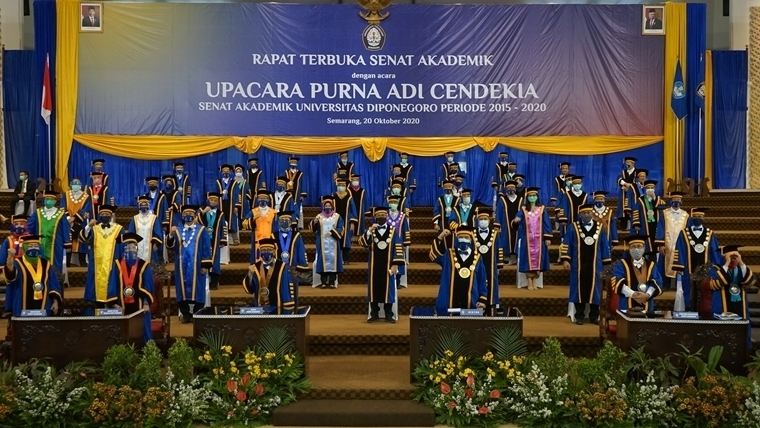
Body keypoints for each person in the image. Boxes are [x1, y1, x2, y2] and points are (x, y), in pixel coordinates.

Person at [561, 204, 612, 325]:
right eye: (584, 213)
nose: (587, 215)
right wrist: (566, 259)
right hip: (578, 264)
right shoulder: (573, 227)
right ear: (580, 215)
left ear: (592, 214)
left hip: (596, 264)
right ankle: (579, 315)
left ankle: (594, 316)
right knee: (578, 288)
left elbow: (605, 245)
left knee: (596, 289)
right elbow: (566, 243)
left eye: (589, 213)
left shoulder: (600, 227)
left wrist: (606, 264)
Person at [107, 233, 155, 344]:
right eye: (128, 247)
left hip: (140, 305)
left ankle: (146, 351)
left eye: (133, 247)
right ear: (123, 249)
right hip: (121, 305)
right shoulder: (117, 264)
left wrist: (146, 302)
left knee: (144, 326)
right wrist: (114, 304)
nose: (130, 249)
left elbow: (148, 285)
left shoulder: (144, 265)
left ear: (137, 249)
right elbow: (113, 284)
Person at [166, 205, 211, 323]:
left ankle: (196, 313)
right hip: (181, 266)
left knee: (199, 290)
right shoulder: (178, 230)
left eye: (190, 213)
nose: (188, 215)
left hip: (197, 266)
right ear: (182, 215)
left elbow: (206, 248)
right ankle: (186, 314)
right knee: (182, 290)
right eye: (185, 213)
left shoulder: (202, 230)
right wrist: (170, 235)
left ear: (195, 216)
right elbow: (170, 246)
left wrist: (205, 265)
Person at [359, 207, 405, 323]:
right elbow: (362, 243)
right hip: (374, 265)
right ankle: (374, 313)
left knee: (388, 289)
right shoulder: (371, 230)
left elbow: (398, 247)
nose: (381, 218)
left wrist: (395, 264)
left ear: (386, 218)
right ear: (375, 218)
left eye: (383, 216)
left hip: (388, 265)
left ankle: (388, 313)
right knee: (373, 288)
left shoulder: (393, 231)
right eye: (379, 216)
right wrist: (369, 231)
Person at [430, 226, 488, 315]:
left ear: (471, 240)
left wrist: (482, 299)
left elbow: (482, 280)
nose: (463, 240)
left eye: (466, 237)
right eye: (460, 237)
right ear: (457, 239)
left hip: (471, 303)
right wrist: (440, 237)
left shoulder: (478, 258)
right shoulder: (449, 255)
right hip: (449, 303)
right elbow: (434, 255)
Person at [708, 245, 756, 348]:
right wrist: (726, 264)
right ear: (724, 257)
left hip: (740, 306)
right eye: (731, 257)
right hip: (721, 306)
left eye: (736, 257)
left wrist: (741, 262)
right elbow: (713, 284)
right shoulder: (715, 269)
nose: (733, 260)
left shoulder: (740, 269)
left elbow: (750, 283)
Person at [674, 208, 721, 311]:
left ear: (703, 218)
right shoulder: (684, 233)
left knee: (705, 291)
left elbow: (714, 250)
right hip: (688, 268)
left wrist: (717, 265)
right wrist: (679, 266)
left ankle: (704, 311)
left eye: (699, 217)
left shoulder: (710, 233)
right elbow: (679, 249)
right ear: (691, 218)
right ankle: (688, 309)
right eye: (695, 217)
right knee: (688, 290)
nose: (697, 218)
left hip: (706, 270)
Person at [3, 235, 62, 316]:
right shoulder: (18, 263)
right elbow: (10, 278)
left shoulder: (46, 264)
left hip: (44, 304)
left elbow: (53, 284)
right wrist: (10, 259)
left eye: (36, 246)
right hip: (22, 304)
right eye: (30, 246)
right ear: (24, 248)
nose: (34, 248)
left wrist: (55, 301)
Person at [80, 205, 124, 313]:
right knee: (95, 287)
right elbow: (83, 239)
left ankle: (112, 304)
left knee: (112, 284)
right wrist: (88, 226)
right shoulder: (94, 229)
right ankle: (96, 308)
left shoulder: (118, 229)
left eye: (107, 215)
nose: (105, 216)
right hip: (97, 264)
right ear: (99, 216)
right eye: (103, 215)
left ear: (111, 216)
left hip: (112, 263)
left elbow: (122, 247)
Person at [27, 191, 71, 287]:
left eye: (51, 199)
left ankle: (55, 286)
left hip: (56, 244)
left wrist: (67, 243)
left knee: (55, 264)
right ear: (44, 200)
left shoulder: (60, 214)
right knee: (39, 263)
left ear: (55, 201)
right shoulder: (38, 212)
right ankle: (40, 284)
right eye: (47, 199)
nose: (49, 201)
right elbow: (30, 226)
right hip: (39, 244)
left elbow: (65, 229)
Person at [513, 187, 552, 290]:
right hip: (527, 239)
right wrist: (516, 220)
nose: (532, 197)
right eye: (530, 196)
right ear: (527, 197)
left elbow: (546, 223)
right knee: (528, 260)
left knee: (538, 261)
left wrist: (547, 237)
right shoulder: (523, 209)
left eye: (534, 195)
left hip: (539, 240)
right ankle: (529, 281)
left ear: (537, 197)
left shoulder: (542, 209)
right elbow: (517, 219)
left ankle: (534, 280)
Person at [612, 235, 663, 311]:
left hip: (647, 304)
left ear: (644, 248)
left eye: (639, 246)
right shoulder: (622, 264)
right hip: (627, 303)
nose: (636, 249)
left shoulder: (651, 265)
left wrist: (647, 294)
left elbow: (657, 282)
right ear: (629, 249)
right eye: (633, 247)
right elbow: (617, 281)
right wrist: (633, 294)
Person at [243, 238, 295, 310]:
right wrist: (250, 274)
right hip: (260, 306)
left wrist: (287, 303)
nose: (266, 252)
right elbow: (251, 289)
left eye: (269, 250)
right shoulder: (255, 267)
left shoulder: (282, 266)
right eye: (263, 250)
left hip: (277, 305)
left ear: (274, 252)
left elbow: (285, 287)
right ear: (260, 252)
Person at [655, 192, 689, 292]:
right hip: (667, 244)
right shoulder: (664, 213)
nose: (676, 202)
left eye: (678, 200)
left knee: (679, 263)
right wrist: (661, 244)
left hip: (680, 245)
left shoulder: (686, 215)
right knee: (664, 264)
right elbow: (660, 228)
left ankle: (678, 285)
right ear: (670, 201)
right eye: (674, 200)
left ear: (681, 202)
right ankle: (665, 284)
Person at [473, 207, 503, 315]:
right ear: (477, 220)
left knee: (492, 284)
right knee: (476, 283)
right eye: (481, 219)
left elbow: (499, 249)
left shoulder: (494, 234)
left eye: (485, 219)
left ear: (489, 220)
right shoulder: (473, 234)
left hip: (491, 266)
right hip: (476, 266)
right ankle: (476, 302)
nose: (483, 221)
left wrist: (499, 264)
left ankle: (491, 302)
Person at [311, 195, 344, 289]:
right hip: (322, 242)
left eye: (329, 205)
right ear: (323, 206)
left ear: (332, 206)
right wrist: (315, 222)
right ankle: (324, 282)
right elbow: (313, 229)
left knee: (333, 262)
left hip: (333, 242)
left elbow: (341, 228)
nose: (328, 207)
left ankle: (332, 282)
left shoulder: (337, 217)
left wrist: (333, 232)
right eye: (326, 205)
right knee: (323, 263)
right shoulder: (319, 216)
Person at [199, 193, 228, 290]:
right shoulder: (202, 210)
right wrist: (203, 212)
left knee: (215, 259)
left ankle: (214, 281)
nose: (213, 202)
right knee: (204, 256)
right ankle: (202, 279)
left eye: (215, 200)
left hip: (215, 239)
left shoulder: (220, 214)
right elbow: (195, 221)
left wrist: (223, 239)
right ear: (208, 200)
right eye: (211, 200)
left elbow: (223, 226)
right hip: (203, 239)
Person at [632, 180, 666, 259]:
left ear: (654, 189)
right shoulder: (640, 200)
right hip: (644, 225)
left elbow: (663, 211)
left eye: (652, 188)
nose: (650, 189)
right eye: (648, 188)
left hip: (656, 225)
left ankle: (654, 258)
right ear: (645, 189)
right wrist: (636, 223)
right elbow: (635, 211)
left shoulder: (659, 200)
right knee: (646, 243)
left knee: (655, 242)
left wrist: (654, 199)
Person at [242, 190, 277, 264]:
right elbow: (244, 224)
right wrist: (253, 218)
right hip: (257, 239)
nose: (262, 199)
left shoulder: (274, 212)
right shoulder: (253, 211)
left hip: (269, 239)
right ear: (257, 199)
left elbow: (276, 227)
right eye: (260, 198)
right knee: (256, 258)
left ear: (268, 199)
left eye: (264, 198)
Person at [128, 195, 164, 264]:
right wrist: (132, 245)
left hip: (150, 248)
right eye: (142, 205)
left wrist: (155, 244)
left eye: (145, 205)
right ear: (139, 206)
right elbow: (131, 233)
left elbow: (158, 232)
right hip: (138, 247)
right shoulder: (135, 219)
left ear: (148, 206)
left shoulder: (154, 218)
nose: (143, 206)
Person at [63, 178, 90, 267]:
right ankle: (67, 262)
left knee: (81, 240)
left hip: (80, 223)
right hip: (67, 222)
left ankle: (82, 261)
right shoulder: (66, 194)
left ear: (80, 185)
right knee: (68, 240)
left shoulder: (86, 196)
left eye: (77, 183)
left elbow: (86, 209)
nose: (75, 185)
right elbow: (62, 207)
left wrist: (74, 218)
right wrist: (68, 217)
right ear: (71, 184)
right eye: (74, 183)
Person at [386, 195, 411, 288]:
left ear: (398, 204)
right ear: (388, 204)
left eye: (395, 203)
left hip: (399, 242)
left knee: (399, 260)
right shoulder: (384, 215)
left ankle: (398, 280)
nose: (393, 204)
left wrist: (406, 242)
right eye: (391, 202)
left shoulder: (402, 216)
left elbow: (406, 229)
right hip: (387, 242)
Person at [496, 181, 522, 265]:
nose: (510, 189)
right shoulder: (502, 199)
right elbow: (498, 212)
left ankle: (516, 257)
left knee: (518, 238)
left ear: (515, 188)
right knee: (505, 238)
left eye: (512, 188)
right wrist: (497, 225)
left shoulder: (521, 199)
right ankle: (507, 257)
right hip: (505, 224)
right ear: (505, 189)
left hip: (519, 225)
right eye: (508, 188)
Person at [332, 177, 357, 264]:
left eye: (342, 185)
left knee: (346, 240)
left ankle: (346, 259)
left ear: (346, 186)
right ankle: (337, 259)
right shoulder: (333, 197)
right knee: (336, 238)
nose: (341, 186)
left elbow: (353, 210)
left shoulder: (349, 198)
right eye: (339, 185)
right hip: (335, 222)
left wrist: (353, 222)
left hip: (347, 222)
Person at [215, 164, 238, 246]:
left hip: (231, 203)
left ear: (230, 172)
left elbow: (237, 194)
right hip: (221, 203)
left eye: (227, 171)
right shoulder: (218, 182)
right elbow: (215, 194)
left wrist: (236, 206)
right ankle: (222, 239)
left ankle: (235, 240)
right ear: (221, 172)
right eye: (224, 171)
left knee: (232, 221)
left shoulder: (234, 182)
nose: (226, 172)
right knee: (221, 220)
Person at [432, 181, 458, 248]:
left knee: (453, 240)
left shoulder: (457, 199)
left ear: (452, 187)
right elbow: (436, 211)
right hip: (442, 223)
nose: (448, 188)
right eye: (446, 187)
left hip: (454, 223)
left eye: (449, 187)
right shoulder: (440, 199)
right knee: (442, 241)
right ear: (443, 188)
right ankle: (443, 256)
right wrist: (436, 224)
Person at [285, 156, 307, 229]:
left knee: (296, 211)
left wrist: (302, 195)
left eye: (295, 162)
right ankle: (287, 225)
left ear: (297, 163)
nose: (293, 164)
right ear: (289, 163)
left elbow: (303, 184)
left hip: (297, 196)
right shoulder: (286, 172)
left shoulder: (300, 174)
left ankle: (296, 225)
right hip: (287, 195)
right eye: (292, 162)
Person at [617, 157, 637, 230]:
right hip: (623, 194)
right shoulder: (623, 172)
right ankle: (624, 227)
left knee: (632, 208)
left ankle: (632, 227)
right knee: (623, 209)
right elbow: (619, 179)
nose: (627, 164)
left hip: (633, 194)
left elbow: (637, 183)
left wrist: (630, 188)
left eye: (628, 162)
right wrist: (625, 184)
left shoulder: (636, 172)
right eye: (626, 162)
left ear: (633, 163)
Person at [230, 164, 249, 246]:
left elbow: (248, 192)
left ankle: (243, 226)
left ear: (242, 172)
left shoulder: (245, 182)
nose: (238, 172)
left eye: (239, 171)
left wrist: (247, 198)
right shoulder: (232, 181)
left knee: (243, 213)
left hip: (243, 201)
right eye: (237, 171)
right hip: (234, 201)